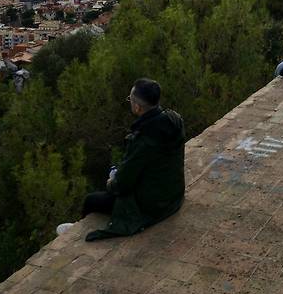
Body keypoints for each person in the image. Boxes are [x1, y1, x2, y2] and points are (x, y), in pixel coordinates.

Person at [57, 79, 186, 242]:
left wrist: (112, 182)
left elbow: (123, 185)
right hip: (173, 193)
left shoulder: (143, 140)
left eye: (130, 99)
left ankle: (75, 233)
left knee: (91, 200)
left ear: (137, 107)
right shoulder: (174, 121)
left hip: (153, 204)